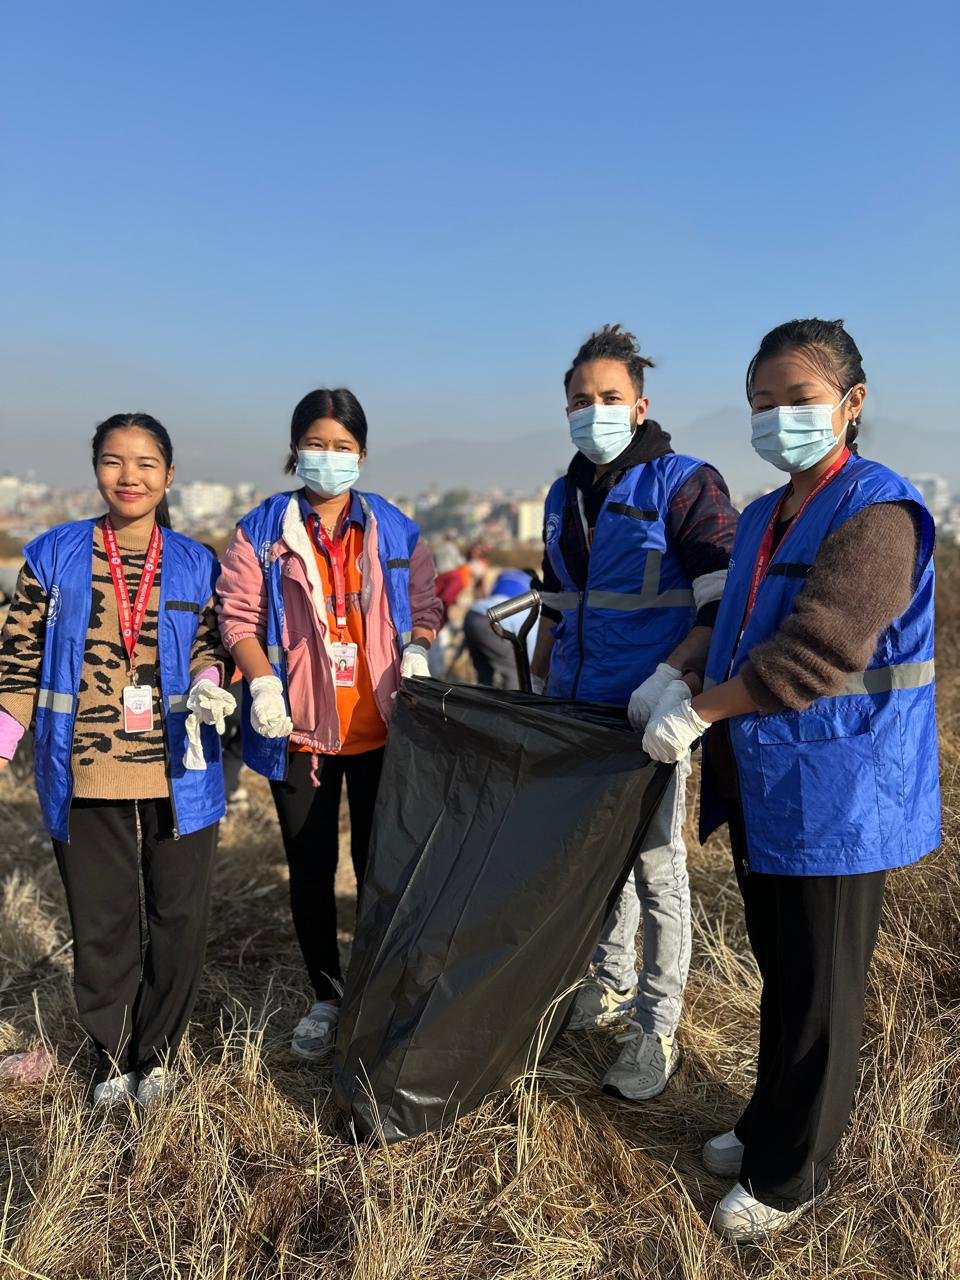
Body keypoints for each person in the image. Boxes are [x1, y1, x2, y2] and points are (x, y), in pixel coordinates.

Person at [642, 319, 940, 1241]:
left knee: (820, 990)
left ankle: (792, 1172)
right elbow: (735, 623)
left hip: (846, 789)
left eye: (798, 400)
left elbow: (815, 655)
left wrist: (702, 713)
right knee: (784, 974)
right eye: (761, 405)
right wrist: (684, 669)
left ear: (851, 404)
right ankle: (766, 1121)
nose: (778, 419)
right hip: (779, 786)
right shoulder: (773, 511)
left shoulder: (877, 514)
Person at [0, 414, 234, 1108]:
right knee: (100, 918)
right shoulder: (51, 554)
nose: (128, 476)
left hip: (180, 764)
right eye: (112, 460)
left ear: (169, 475)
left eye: (145, 463)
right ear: (96, 469)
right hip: (85, 763)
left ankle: (157, 1053)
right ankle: (110, 1056)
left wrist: (211, 682)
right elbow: (17, 659)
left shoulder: (197, 561)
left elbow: (212, 643)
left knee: (177, 914)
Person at [532, 324, 739, 1100]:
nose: (594, 411)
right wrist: (542, 683)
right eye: (580, 401)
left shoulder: (685, 484)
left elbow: (720, 604)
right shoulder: (562, 495)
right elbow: (556, 604)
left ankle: (656, 1026)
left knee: (657, 870)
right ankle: (610, 981)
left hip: (650, 712)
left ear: (640, 403)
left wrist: (674, 677)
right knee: (597, 861)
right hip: (578, 711)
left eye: (609, 398)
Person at [217, 388, 443, 1060]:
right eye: (316, 444)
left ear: (363, 454)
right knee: (310, 869)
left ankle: (373, 988)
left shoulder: (396, 530)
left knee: (380, 865)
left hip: (382, 729)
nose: (329, 457)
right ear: (294, 450)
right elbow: (237, 617)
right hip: (299, 730)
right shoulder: (260, 531)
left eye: (343, 446)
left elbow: (425, 601)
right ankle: (324, 994)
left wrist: (419, 648)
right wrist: (261, 681)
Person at [463, 568, 538, 689]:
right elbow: (531, 643)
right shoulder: (530, 601)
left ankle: (480, 705)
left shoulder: (507, 575)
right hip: (489, 621)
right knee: (514, 668)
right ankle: (514, 706)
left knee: (484, 672)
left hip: (473, 613)